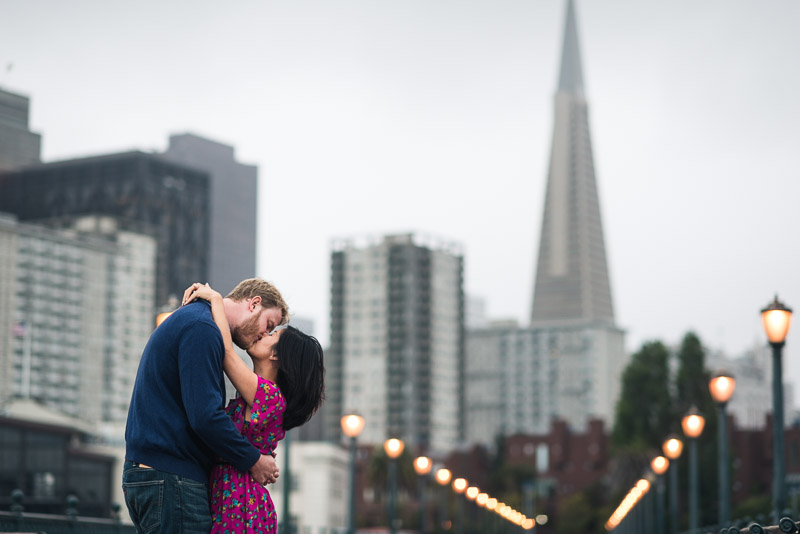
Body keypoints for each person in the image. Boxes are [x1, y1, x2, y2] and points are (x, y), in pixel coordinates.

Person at [123, 278, 289, 534]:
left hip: (156, 474)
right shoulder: (202, 329)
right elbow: (204, 417)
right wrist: (253, 459)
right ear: (254, 304)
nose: (264, 334)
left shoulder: (199, 321)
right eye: (269, 325)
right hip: (172, 478)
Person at [182, 282, 325, 533]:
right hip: (231, 497)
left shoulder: (269, 396)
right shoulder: (255, 394)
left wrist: (216, 299)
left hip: (241, 506)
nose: (263, 334)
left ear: (276, 356)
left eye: (272, 334)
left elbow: (226, 352)